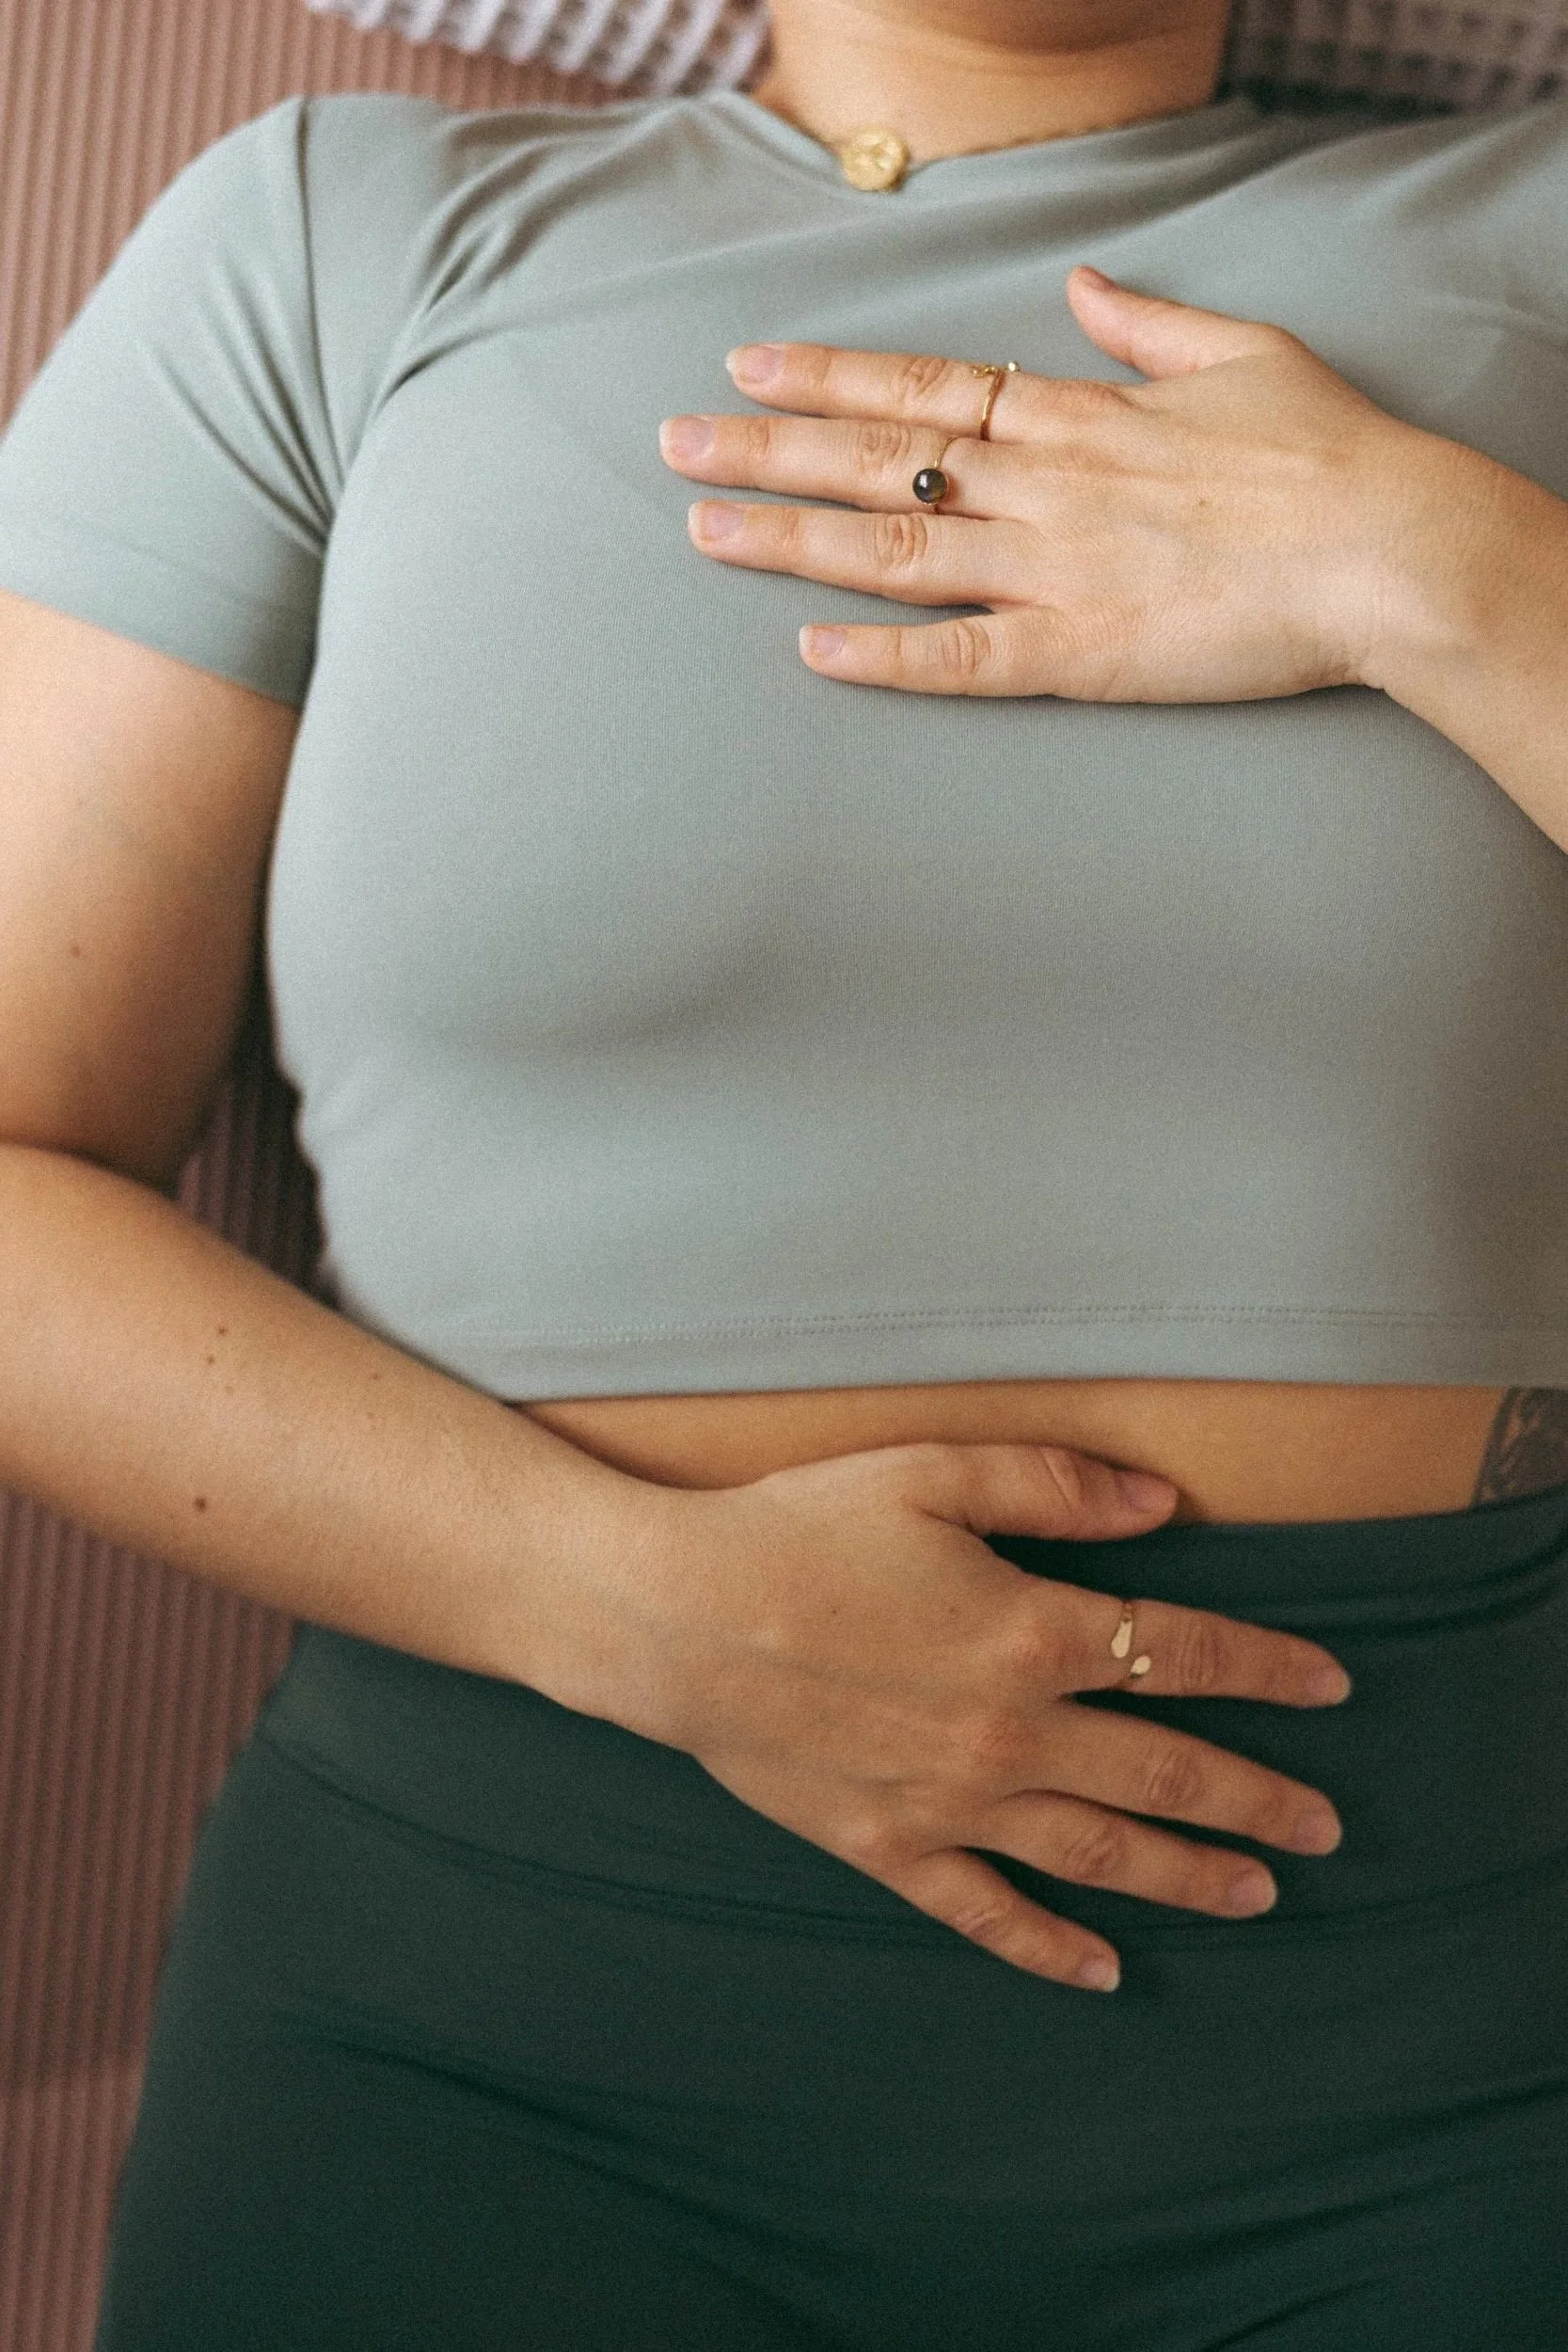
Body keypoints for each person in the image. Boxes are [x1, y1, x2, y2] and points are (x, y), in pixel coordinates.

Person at [0, 0, 1565, 2342]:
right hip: (488, 2014)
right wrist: (620, 1599)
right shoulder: (338, 244)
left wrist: (1455, 577)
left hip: (1452, 2027)